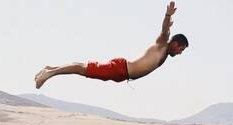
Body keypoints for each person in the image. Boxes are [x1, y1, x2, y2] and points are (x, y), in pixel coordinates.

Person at [35, 2, 189, 89]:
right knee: (84, 69)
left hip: (122, 73)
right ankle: (49, 73)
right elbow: (164, 31)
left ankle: (50, 69)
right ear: (175, 43)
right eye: (181, 49)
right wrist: (168, 16)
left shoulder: (165, 52)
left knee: (85, 68)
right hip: (121, 69)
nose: (181, 53)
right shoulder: (162, 44)